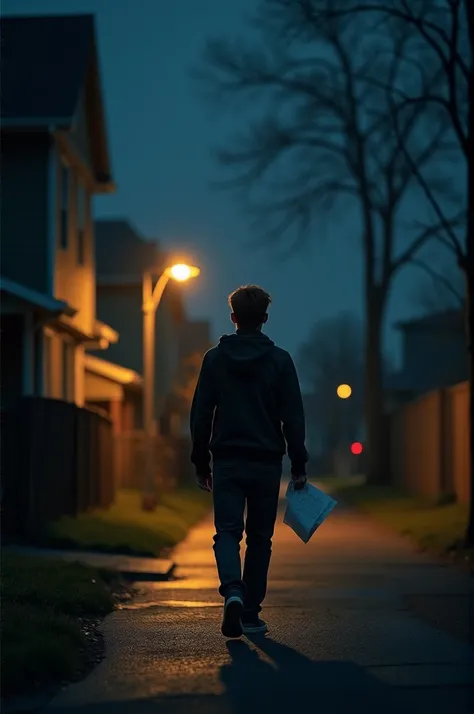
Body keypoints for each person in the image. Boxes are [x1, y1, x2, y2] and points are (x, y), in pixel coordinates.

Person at [190, 284, 307, 638]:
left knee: (227, 532)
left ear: (233, 317)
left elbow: (201, 414)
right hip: (266, 462)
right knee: (259, 537)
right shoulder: (280, 361)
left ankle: (233, 592)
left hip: (227, 460)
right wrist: (298, 463)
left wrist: (201, 462)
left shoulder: (215, 359)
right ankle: (251, 614)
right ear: (265, 320)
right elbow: (293, 417)